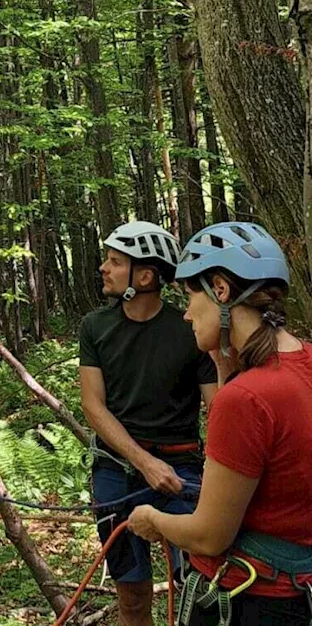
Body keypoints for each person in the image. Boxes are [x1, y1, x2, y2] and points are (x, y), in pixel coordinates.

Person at [127, 221, 312, 625]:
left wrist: (152, 520)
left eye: (191, 296)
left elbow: (210, 536)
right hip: (299, 594)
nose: (187, 314)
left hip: (248, 601)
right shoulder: (303, 362)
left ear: (221, 290)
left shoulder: (246, 399)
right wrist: (226, 368)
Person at [80, 220, 220, 626]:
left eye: (114, 262)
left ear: (145, 275)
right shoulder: (96, 327)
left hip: (183, 473)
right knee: (132, 596)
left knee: (197, 587)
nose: (104, 268)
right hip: (116, 473)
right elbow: (93, 406)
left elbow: (219, 406)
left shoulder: (190, 327)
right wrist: (145, 463)